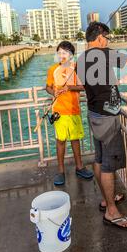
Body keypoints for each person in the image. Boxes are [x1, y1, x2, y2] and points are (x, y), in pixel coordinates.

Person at [77, 22, 127, 230]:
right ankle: (112, 212)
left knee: (98, 158)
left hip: (94, 113)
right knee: (108, 164)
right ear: (99, 38)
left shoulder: (80, 60)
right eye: (106, 38)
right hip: (107, 118)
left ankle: (108, 199)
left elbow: (100, 83)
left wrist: (118, 82)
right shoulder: (104, 54)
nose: (108, 41)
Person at [46, 41, 94, 186]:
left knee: (75, 140)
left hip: (74, 110)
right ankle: (60, 171)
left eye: (65, 52)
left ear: (71, 55)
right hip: (59, 111)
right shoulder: (53, 69)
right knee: (60, 141)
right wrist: (54, 91)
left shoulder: (77, 69)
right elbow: (47, 87)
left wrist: (69, 87)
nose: (62, 55)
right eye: (60, 52)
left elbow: (84, 86)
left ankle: (79, 167)